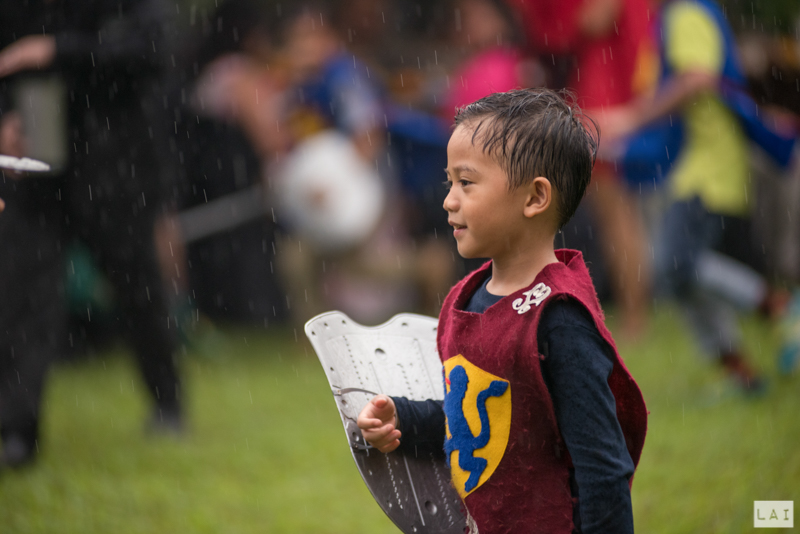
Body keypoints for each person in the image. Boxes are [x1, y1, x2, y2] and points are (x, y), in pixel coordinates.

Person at [357, 88, 647, 534]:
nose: (449, 200)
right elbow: (479, 419)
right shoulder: (465, 299)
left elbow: (603, 468)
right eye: (448, 182)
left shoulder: (560, 319)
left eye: (467, 183)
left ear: (534, 198)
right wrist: (404, 418)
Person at [605, 0, 800, 388]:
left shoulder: (686, 12)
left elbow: (696, 78)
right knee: (679, 276)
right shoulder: (676, 14)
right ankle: (741, 374)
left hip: (704, 169)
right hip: (692, 169)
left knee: (673, 267)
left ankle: (780, 307)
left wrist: (633, 120)